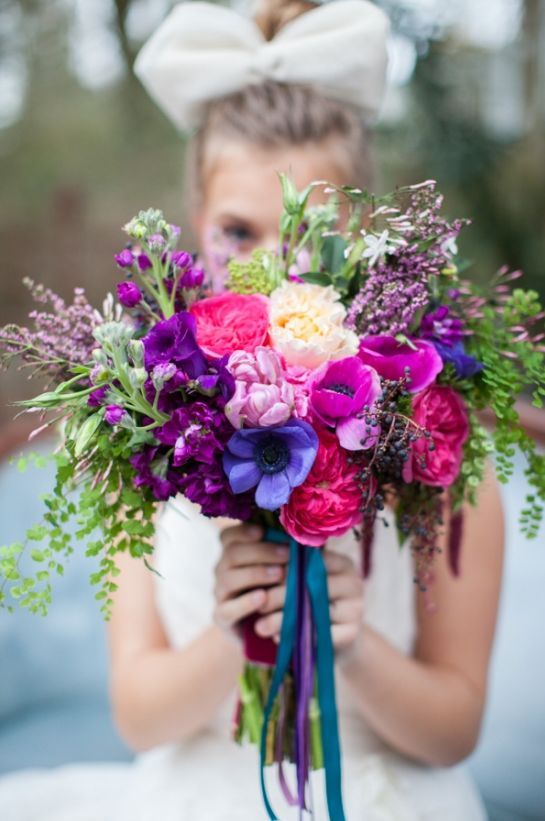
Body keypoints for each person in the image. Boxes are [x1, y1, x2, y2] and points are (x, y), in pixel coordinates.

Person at [0, 1, 503, 818]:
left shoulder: (434, 444)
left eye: (310, 236)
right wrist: (237, 629)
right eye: (239, 231)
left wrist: (349, 641)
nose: (274, 271)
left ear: (362, 236)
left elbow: (454, 729)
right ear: (197, 227)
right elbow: (138, 713)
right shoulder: (142, 439)